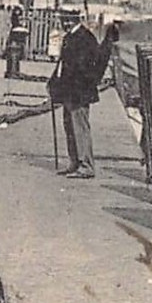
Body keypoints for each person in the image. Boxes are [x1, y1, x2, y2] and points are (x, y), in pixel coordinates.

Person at [51, 13, 103, 179]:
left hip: (80, 91)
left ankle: (86, 165)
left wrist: (76, 82)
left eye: (69, 20)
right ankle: (74, 162)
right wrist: (54, 82)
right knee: (70, 126)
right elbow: (62, 64)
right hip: (69, 90)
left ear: (77, 20)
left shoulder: (85, 38)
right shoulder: (70, 37)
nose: (65, 23)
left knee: (80, 127)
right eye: (63, 20)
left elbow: (88, 67)